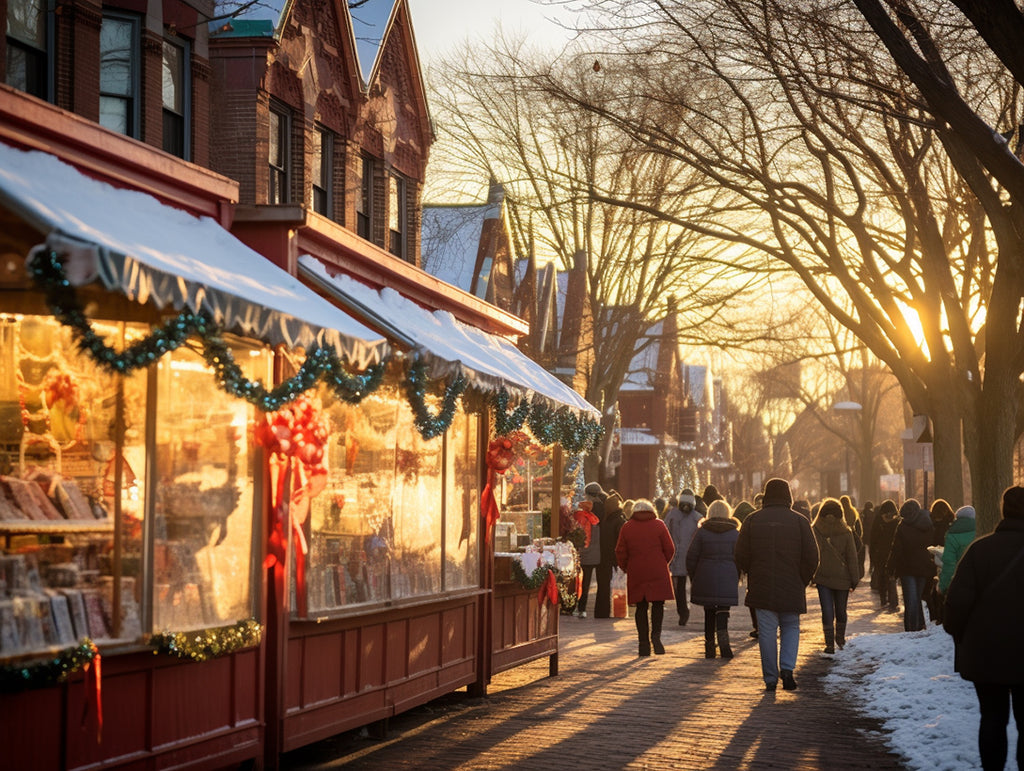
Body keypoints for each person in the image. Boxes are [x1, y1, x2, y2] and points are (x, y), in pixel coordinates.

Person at [943, 486, 1024, 771]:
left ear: (1003, 511)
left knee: (992, 717)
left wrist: (961, 635)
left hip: (987, 652)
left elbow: (956, 603)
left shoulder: (980, 550)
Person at [735, 478, 819, 692]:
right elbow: (812, 556)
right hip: (792, 585)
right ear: (788, 496)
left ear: (766, 496)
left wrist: (751, 572)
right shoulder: (800, 521)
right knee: (791, 627)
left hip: (762, 585)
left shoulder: (752, 520)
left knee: (767, 632)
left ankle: (770, 678)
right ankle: (788, 669)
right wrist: (803, 579)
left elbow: (740, 553)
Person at [615, 498, 675, 656]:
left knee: (640, 607)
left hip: (637, 569)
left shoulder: (627, 527)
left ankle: (643, 644)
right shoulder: (659, 525)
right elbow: (670, 548)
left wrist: (626, 566)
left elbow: (620, 550)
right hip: (657, 569)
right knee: (658, 605)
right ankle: (656, 636)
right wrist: (663, 562)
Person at [687, 498, 740, 658]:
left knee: (709, 612)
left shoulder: (702, 532)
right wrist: (736, 574)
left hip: (706, 576)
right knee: (723, 611)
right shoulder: (734, 533)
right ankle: (724, 644)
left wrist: (694, 575)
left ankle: (709, 646)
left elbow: (691, 557)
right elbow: (740, 557)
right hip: (728, 576)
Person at [810, 498, 860, 655]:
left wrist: (810, 575)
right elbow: (852, 557)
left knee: (827, 610)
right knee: (841, 610)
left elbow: (810, 554)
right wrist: (854, 579)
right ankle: (840, 639)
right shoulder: (846, 532)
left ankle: (829, 644)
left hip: (822, 577)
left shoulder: (815, 530)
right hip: (842, 578)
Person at [886, 498, 935, 632]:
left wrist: (890, 568)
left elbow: (896, 549)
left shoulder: (902, 526)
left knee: (911, 600)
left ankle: (912, 629)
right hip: (924, 566)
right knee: (916, 598)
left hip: (906, 567)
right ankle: (919, 626)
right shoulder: (928, 523)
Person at [664, 490, 702, 625]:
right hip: (692, 558)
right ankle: (693, 608)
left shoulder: (672, 515)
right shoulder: (697, 517)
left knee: (679, 587)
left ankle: (683, 612)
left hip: (677, 556)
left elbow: (665, 532)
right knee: (693, 584)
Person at [595, 489, 626, 619]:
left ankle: (601, 612)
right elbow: (621, 541)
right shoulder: (619, 520)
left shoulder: (603, 520)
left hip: (602, 557)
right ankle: (617, 610)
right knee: (615, 586)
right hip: (614, 558)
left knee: (602, 586)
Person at [868, 499, 900, 612]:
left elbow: (873, 539)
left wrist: (872, 555)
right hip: (890, 553)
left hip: (880, 554)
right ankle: (892, 600)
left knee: (883, 577)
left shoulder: (878, 521)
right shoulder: (897, 521)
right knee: (889, 577)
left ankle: (885, 599)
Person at [937, 505, 975, 598]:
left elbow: (949, 563)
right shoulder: (982, 530)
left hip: (960, 583)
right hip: (978, 582)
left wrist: (943, 586)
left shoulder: (952, 534)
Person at [574, 499, 601, 618]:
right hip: (592, 556)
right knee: (586, 583)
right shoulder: (594, 519)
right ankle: (582, 608)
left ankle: (572, 605)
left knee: (575, 581)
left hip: (581, 554)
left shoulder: (577, 517)